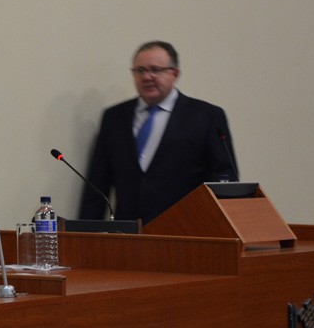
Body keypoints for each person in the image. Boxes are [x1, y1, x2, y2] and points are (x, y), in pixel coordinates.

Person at [78, 40, 236, 224]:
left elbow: (224, 178)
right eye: (140, 70)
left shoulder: (206, 116)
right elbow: (97, 184)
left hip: (185, 230)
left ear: (174, 73)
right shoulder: (114, 118)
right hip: (129, 231)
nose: (147, 77)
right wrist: (84, 232)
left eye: (155, 70)